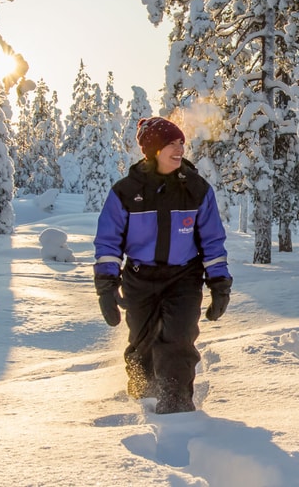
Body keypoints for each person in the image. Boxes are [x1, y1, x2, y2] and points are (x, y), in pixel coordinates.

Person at [93, 117, 232, 414]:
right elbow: (108, 242)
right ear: (153, 149)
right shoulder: (125, 191)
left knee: (178, 339)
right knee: (141, 345)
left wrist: (219, 283)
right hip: (139, 278)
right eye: (171, 143)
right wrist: (106, 286)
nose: (179, 149)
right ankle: (142, 403)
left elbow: (212, 240)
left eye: (181, 142)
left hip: (184, 277)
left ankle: (177, 406)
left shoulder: (196, 189)